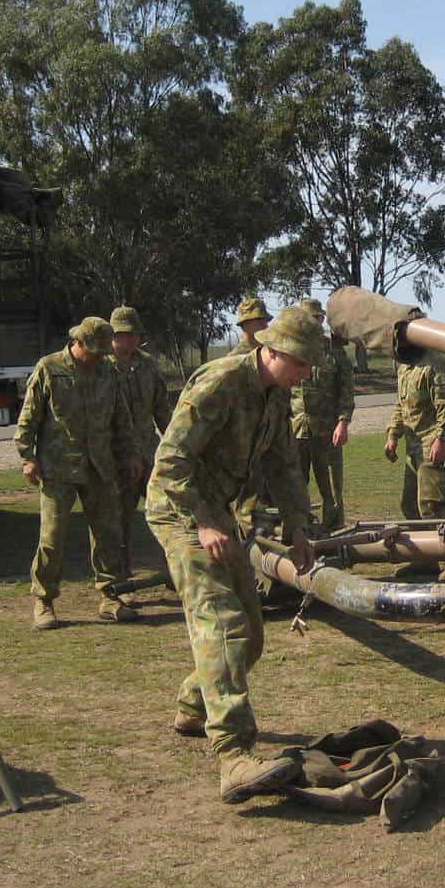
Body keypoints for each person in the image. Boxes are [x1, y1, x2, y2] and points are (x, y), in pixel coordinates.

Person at [146, 305, 323, 804]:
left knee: (250, 633)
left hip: (214, 511)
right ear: (273, 351)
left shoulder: (275, 395)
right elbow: (170, 462)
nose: (306, 373)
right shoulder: (221, 382)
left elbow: (284, 463)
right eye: (301, 362)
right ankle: (233, 756)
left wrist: (298, 525)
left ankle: (193, 704)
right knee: (222, 622)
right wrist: (204, 521)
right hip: (180, 510)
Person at [16, 316, 142, 630]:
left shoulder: (108, 371)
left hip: (100, 466)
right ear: (78, 343)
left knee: (108, 534)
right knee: (52, 536)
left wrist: (131, 454)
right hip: (58, 467)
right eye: (94, 351)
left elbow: (121, 418)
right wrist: (27, 458)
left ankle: (110, 596)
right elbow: (29, 418)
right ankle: (44, 600)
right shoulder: (50, 368)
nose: (99, 357)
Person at [384, 346, 445, 577]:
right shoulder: (404, 366)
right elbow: (401, 405)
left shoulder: (434, 364)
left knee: (431, 506)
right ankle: (425, 559)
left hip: (432, 443)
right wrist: (393, 435)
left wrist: (442, 439)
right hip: (413, 447)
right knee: (409, 505)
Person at [109, 305, 173, 577]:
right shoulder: (101, 367)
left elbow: (161, 409)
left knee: (167, 510)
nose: (132, 339)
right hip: (116, 455)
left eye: (135, 334)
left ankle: (176, 569)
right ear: (114, 335)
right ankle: (119, 575)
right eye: (126, 334)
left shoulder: (148, 364)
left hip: (149, 452)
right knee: (119, 518)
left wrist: (176, 442)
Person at [290, 297, 354, 531]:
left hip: (327, 431)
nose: (312, 323)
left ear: (321, 320)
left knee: (331, 486)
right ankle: (300, 527)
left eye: (316, 318)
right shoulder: (291, 350)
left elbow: (346, 391)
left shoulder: (334, 353)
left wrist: (343, 422)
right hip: (296, 430)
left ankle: (335, 529)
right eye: (307, 319)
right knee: (296, 483)